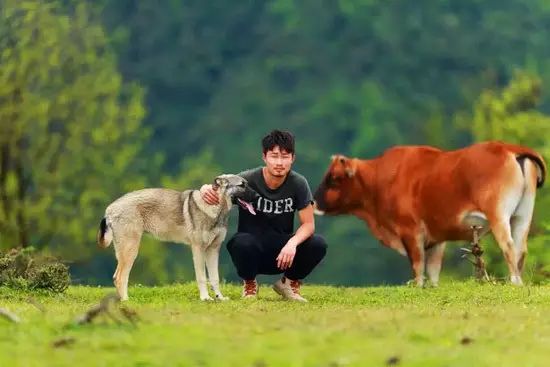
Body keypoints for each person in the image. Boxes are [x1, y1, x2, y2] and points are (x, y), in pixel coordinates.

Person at [200, 129, 327, 302]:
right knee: (240, 243)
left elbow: (308, 224)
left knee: (318, 243)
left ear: (293, 158)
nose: (279, 162)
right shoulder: (247, 180)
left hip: (283, 253)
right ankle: (250, 284)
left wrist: (292, 244)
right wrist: (205, 189)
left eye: (285, 156)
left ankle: (288, 284)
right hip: (252, 249)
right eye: (274, 156)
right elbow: (217, 188)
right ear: (264, 157)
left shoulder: (298, 183)